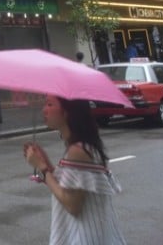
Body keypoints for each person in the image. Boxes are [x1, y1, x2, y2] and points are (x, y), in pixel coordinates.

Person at [23, 95, 126, 244]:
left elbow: (73, 205)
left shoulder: (78, 151)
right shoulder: (81, 146)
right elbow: (69, 186)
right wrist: (46, 164)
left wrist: (43, 169)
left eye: (50, 104)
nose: (44, 110)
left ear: (67, 113)